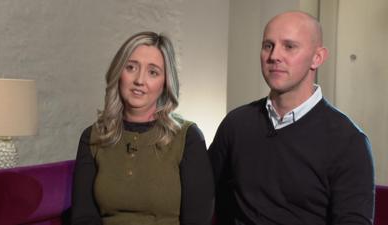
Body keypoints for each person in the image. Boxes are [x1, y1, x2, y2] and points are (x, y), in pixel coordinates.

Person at [209, 11, 375, 225]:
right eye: (268, 45)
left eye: (289, 46)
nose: (274, 56)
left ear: (318, 57)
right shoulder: (236, 123)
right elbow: (205, 197)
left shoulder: (349, 142)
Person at [71, 31, 214, 225]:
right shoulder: (94, 136)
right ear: (118, 72)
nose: (139, 80)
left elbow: (198, 220)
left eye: (152, 72)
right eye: (131, 67)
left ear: (165, 83)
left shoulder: (187, 137)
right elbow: (83, 217)